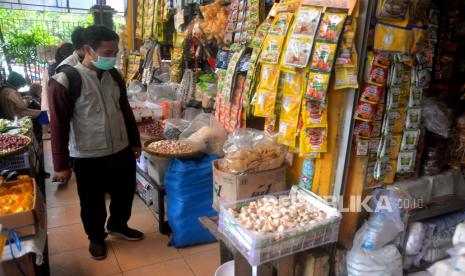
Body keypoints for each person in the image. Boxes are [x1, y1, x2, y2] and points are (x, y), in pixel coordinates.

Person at [48, 25, 143, 260]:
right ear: (88, 49)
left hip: (120, 149)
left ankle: (118, 225)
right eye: (108, 52)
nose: (114, 57)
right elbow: (58, 125)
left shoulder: (114, 76)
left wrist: (134, 141)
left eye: (116, 52)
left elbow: (125, 110)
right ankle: (96, 237)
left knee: (124, 193)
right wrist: (61, 165)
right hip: (88, 155)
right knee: (92, 202)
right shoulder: (65, 80)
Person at [41, 42, 74, 138]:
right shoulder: (76, 66)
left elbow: (46, 94)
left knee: (61, 133)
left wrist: (49, 111)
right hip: (72, 108)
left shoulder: (50, 69)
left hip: (56, 106)